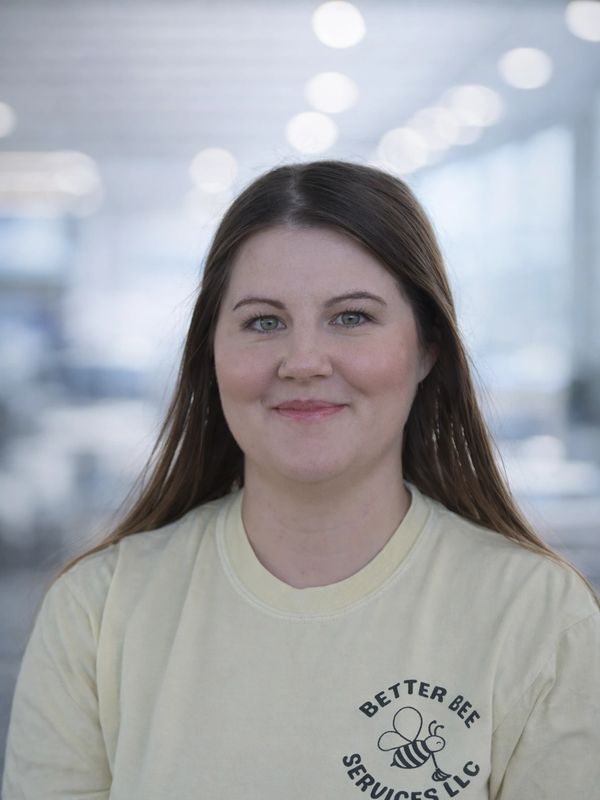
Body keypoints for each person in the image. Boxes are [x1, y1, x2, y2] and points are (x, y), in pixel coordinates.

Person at [2, 160, 599, 800]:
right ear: (211, 353)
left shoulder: (540, 616)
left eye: (352, 317)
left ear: (427, 348)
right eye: (264, 322)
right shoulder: (97, 613)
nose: (304, 361)